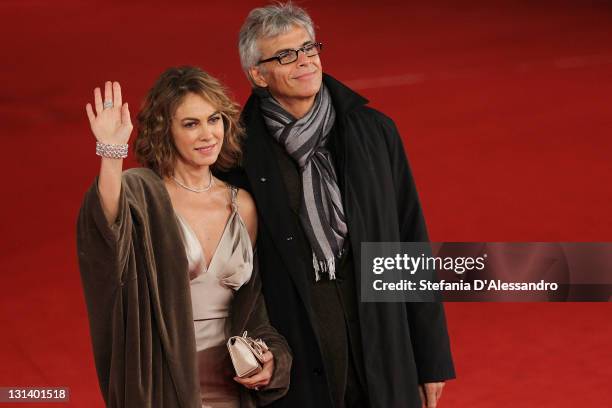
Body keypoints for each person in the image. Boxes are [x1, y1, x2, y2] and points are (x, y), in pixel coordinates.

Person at [220, 3, 456, 408]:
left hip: (383, 343)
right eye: (286, 55)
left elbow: (409, 238)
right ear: (258, 75)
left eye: (309, 47)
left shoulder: (374, 132)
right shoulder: (236, 155)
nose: (305, 61)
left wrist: (429, 357)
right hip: (298, 355)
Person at [77, 66, 292, 408]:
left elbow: (253, 309)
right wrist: (111, 153)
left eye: (214, 119)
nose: (208, 134)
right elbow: (106, 235)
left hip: (233, 387)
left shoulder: (243, 204)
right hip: (163, 385)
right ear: (166, 131)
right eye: (191, 124)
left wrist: (271, 360)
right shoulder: (140, 195)